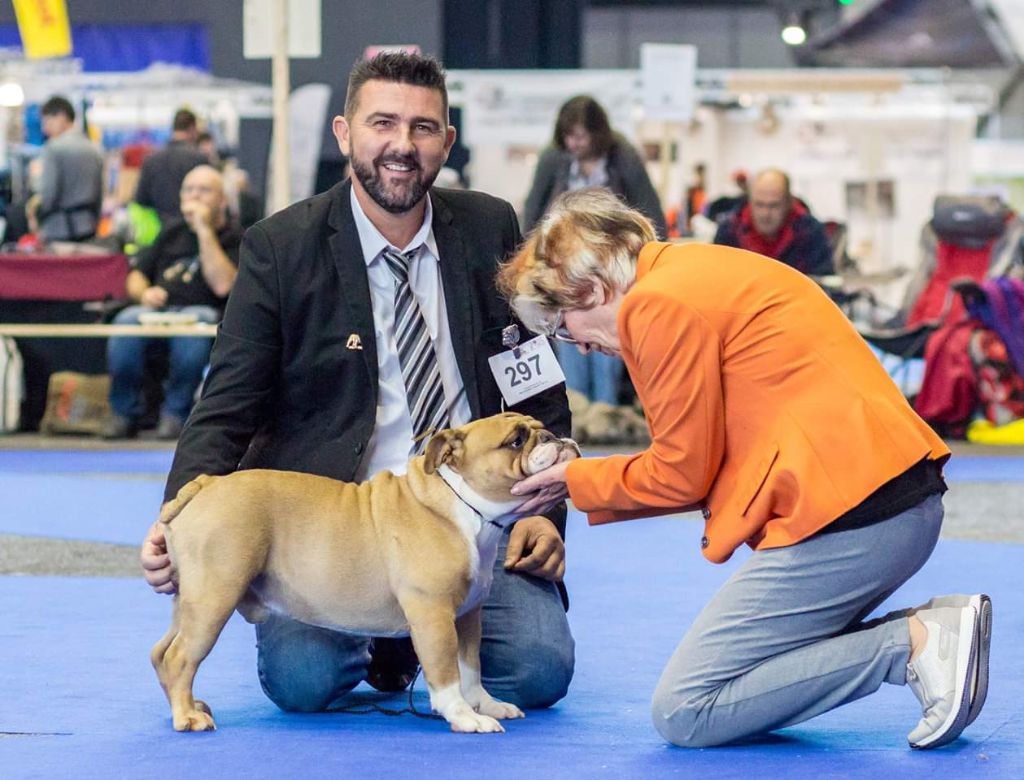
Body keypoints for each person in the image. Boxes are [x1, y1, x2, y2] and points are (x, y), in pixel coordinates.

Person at [139, 52, 575, 711]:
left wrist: (546, 511)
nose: (402, 146)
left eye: (423, 128)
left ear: (447, 140)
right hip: (334, 532)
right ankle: (394, 641)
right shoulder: (281, 247)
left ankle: (411, 644)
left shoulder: (491, 229)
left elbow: (535, 389)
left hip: (477, 518)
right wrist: (174, 516)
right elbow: (226, 404)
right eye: (383, 123)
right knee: (301, 685)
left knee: (540, 671)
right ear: (344, 133)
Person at [500, 187, 990, 750]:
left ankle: (916, 642)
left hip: (854, 517)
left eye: (563, 326)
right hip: (890, 499)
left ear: (588, 288)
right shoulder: (692, 268)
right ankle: (928, 635)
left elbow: (681, 474)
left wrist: (574, 480)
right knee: (734, 677)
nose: (579, 348)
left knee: (686, 709)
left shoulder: (653, 304)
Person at [522, 95, 666, 407]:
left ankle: (606, 413)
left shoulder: (623, 156)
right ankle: (577, 413)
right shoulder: (553, 158)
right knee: (570, 340)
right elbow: (533, 211)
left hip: (614, 276)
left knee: (609, 352)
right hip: (565, 273)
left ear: (597, 133)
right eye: (568, 135)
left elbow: (649, 210)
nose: (573, 143)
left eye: (580, 135)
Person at [102, 165, 243, 440]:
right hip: (157, 310)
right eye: (189, 190)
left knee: (194, 328)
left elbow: (223, 284)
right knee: (125, 323)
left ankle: (176, 414)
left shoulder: (237, 237)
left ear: (222, 200)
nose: (195, 196)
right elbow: (136, 276)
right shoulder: (169, 232)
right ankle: (123, 412)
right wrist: (145, 293)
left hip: (203, 313)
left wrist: (203, 230)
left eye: (204, 190)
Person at [713, 168, 834, 276]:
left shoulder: (811, 232)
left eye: (774, 205)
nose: (765, 214)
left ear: (788, 203)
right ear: (749, 200)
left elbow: (823, 281)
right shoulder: (729, 230)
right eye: (759, 204)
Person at [24, 95, 104, 242]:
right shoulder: (94, 149)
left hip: (58, 229)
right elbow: (99, 195)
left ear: (61, 117)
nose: (44, 128)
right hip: (88, 227)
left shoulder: (53, 148)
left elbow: (49, 194)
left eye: (46, 121)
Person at [134, 108, 208, 225]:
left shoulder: (151, 160)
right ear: (192, 128)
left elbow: (141, 200)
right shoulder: (199, 159)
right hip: (191, 230)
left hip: (160, 232)